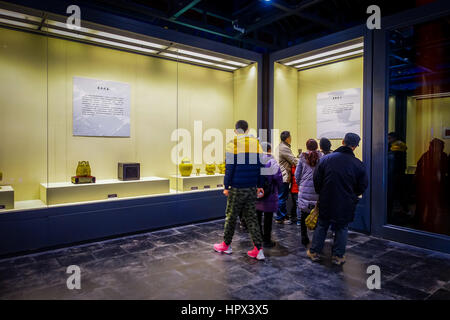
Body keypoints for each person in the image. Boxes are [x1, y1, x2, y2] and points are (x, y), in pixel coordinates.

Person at [308, 133, 368, 265]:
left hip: (326, 198)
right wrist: (352, 195)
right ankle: (338, 256)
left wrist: (322, 192)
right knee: (342, 227)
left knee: (322, 225)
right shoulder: (358, 164)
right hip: (346, 202)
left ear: (342, 142)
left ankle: (314, 252)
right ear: (355, 147)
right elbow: (362, 185)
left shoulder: (326, 159)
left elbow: (316, 179)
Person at [214, 120, 266, 260]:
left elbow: (229, 168)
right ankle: (258, 249)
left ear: (236, 130)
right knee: (251, 218)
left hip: (237, 188)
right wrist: (260, 185)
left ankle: (226, 245)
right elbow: (262, 166)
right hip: (251, 187)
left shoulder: (233, 144)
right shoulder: (256, 144)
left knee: (231, 216)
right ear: (247, 130)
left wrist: (226, 186)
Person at [415, 138, 449, 235]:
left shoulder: (441, 156)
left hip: (435, 185)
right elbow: (420, 170)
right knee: (424, 204)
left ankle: (428, 223)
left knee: (432, 205)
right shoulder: (427, 156)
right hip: (427, 184)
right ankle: (422, 223)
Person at [295, 139, 323, 246]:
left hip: (304, 189)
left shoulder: (302, 158)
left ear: (307, 147)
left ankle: (304, 237)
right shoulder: (322, 157)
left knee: (303, 214)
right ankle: (317, 239)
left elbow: (297, 175)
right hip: (317, 190)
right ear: (316, 146)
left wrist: (300, 184)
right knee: (317, 214)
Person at [256, 142, 283, 248]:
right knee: (268, 217)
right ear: (269, 149)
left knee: (257, 216)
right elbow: (278, 177)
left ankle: (258, 237)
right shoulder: (272, 161)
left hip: (257, 191)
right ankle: (267, 240)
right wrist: (279, 186)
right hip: (269, 193)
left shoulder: (256, 160)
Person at [275, 131, 299, 223]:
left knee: (281, 197)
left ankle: (282, 216)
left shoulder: (281, 146)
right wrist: (305, 162)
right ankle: (281, 217)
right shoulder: (284, 148)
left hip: (280, 175)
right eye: (290, 137)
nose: (291, 138)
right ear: (288, 138)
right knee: (282, 197)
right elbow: (293, 160)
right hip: (283, 176)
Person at [387, 132, 409, 222]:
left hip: (395, 175)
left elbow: (391, 163)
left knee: (395, 194)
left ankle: (393, 215)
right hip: (400, 174)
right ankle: (405, 211)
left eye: (389, 138)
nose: (387, 140)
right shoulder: (400, 147)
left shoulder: (396, 148)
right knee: (400, 193)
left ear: (394, 138)